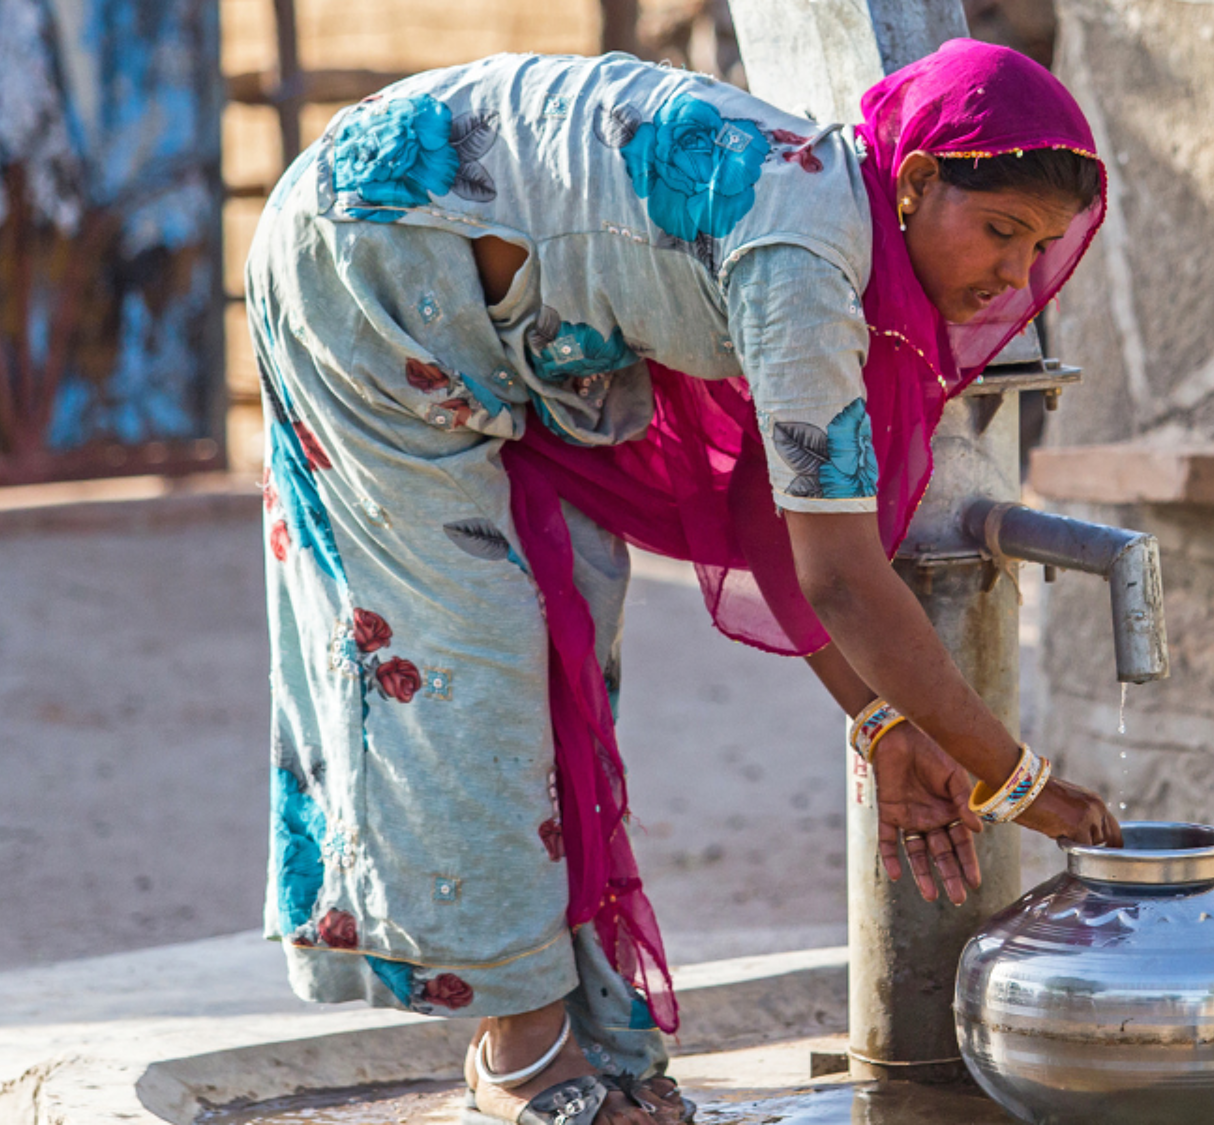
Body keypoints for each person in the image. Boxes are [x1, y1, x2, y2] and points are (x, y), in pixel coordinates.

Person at [245, 35, 1123, 1125]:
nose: (1012, 274)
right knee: (472, 653)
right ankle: (519, 1052)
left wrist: (886, 723)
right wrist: (1020, 782)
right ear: (918, 179)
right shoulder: (804, 266)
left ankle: (587, 1034)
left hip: (502, 323)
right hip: (370, 260)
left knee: (569, 611)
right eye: (999, 231)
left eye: (1036, 246)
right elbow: (842, 579)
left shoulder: (837, 237)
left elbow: (784, 535)